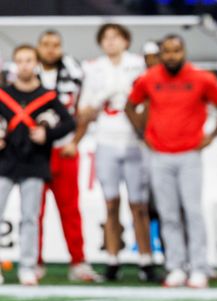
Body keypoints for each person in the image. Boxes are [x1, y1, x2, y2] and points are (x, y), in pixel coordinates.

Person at [125, 34, 217, 289]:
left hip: (189, 154)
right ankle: (175, 267)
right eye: (167, 51)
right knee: (168, 214)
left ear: (183, 51)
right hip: (159, 154)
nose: (172, 55)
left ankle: (199, 267)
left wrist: (212, 136)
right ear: (161, 54)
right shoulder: (149, 78)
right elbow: (130, 106)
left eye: (176, 50)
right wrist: (144, 133)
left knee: (193, 212)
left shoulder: (201, 78)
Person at [75, 23, 158, 282]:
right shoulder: (94, 68)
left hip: (134, 141)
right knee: (110, 203)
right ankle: (112, 259)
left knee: (139, 205)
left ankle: (146, 259)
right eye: (106, 38)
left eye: (116, 37)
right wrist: (102, 97)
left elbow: (150, 101)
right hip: (106, 140)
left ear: (126, 40)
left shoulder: (138, 65)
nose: (111, 42)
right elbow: (84, 111)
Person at [0, 45, 75, 285]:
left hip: (34, 163)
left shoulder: (48, 96)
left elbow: (69, 122)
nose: (24, 65)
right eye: (19, 60)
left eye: (28, 60)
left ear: (36, 64)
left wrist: (47, 133)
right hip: (5, 163)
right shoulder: (3, 94)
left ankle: (28, 266)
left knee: (30, 217)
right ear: (14, 64)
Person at [36, 30, 101, 282]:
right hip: (35, 154)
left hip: (64, 149)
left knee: (70, 210)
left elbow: (83, 114)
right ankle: (34, 262)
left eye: (55, 45)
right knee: (34, 212)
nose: (51, 49)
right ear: (38, 47)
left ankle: (77, 261)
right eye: (46, 44)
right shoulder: (27, 74)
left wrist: (75, 141)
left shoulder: (75, 74)